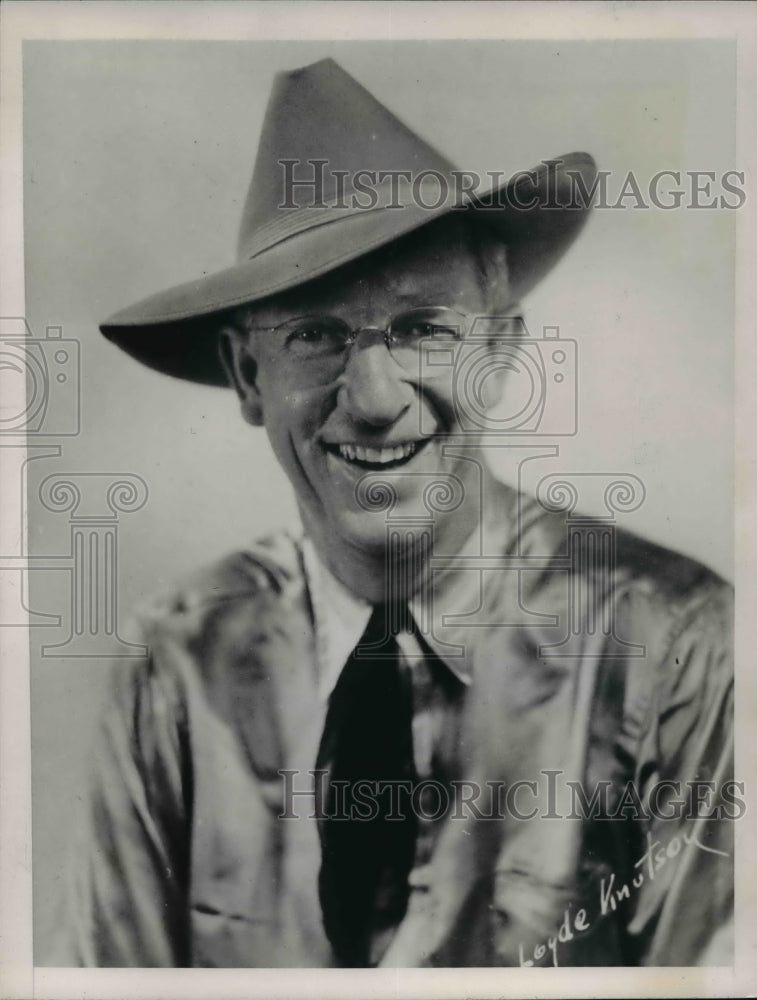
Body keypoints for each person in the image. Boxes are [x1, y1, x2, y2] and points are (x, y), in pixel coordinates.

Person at [56, 58, 734, 968]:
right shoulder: (177, 667)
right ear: (246, 376)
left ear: (499, 351)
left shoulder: (678, 648)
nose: (374, 399)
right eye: (315, 335)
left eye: (423, 330)